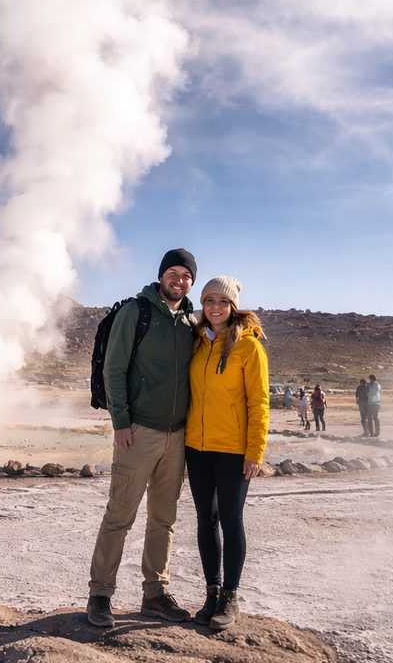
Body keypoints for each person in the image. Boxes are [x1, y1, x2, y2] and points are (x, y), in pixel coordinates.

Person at [87, 248, 199, 628]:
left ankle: (155, 593)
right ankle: (100, 594)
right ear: (161, 276)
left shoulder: (190, 321)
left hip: (177, 436)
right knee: (119, 516)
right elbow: (114, 370)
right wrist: (121, 422)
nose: (178, 280)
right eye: (173, 272)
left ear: (191, 282)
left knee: (163, 519)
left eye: (186, 275)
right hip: (138, 433)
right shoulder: (137, 312)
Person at [185, 275, 269, 631]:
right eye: (208, 301)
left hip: (234, 450)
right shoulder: (198, 342)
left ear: (233, 306)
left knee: (232, 522)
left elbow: (259, 402)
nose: (215, 307)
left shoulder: (249, 347)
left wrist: (255, 451)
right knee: (206, 521)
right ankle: (212, 591)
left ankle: (230, 596)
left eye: (222, 301)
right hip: (197, 447)